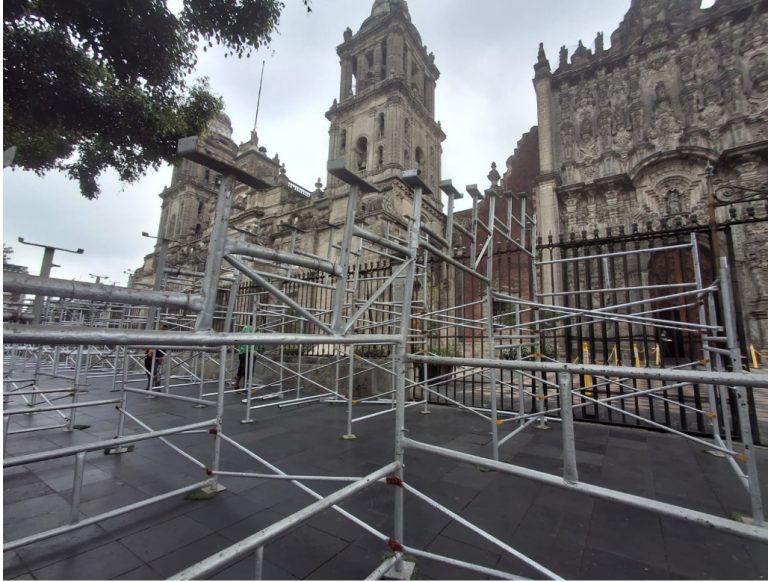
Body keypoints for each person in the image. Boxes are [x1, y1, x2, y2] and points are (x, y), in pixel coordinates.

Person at [234, 324, 260, 391]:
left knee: (241, 369)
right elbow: (258, 341)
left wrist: (240, 349)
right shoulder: (256, 329)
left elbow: (240, 339)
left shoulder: (245, 328)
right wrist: (257, 351)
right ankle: (245, 388)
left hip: (243, 352)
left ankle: (237, 385)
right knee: (248, 370)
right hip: (250, 352)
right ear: (256, 321)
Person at [145, 323, 169, 390]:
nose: (163, 328)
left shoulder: (165, 339)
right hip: (149, 357)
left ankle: (157, 387)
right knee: (149, 373)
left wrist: (161, 357)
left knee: (156, 373)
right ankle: (150, 386)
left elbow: (164, 349)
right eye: (162, 327)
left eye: (165, 327)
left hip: (157, 358)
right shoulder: (155, 336)